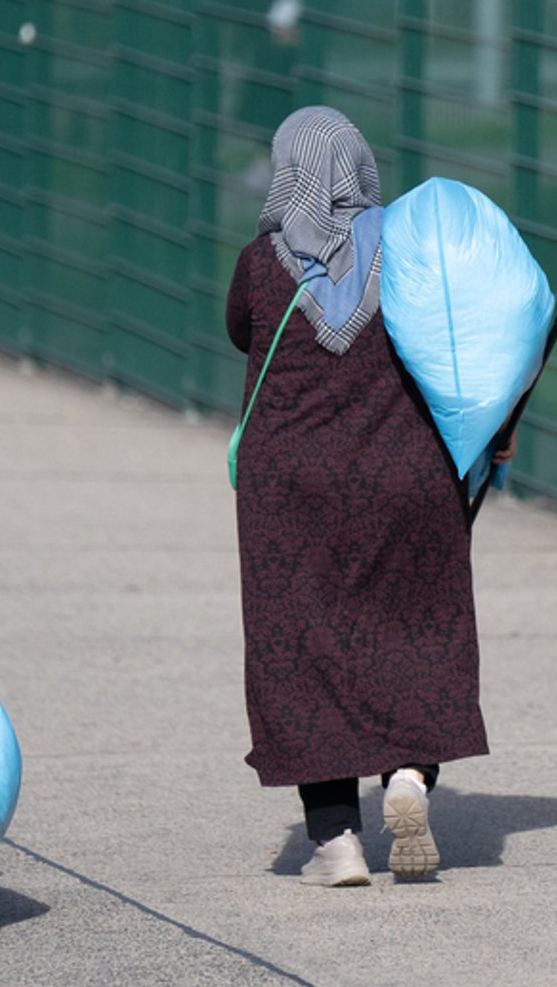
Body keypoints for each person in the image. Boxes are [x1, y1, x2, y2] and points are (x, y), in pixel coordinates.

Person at [224, 106, 489, 887]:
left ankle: (335, 840)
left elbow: (243, 332)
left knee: (303, 651)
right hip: (404, 480)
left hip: (290, 491)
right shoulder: (409, 252)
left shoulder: (258, 263)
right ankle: (409, 774)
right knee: (417, 630)